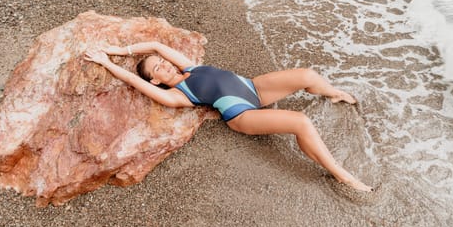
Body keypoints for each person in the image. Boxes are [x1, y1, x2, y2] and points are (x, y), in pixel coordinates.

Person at [84, 41, 373, 192]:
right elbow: (137, 83)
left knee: (308, 76)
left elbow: (157, 46)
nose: (164, 66)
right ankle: (341, 174)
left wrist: (121, 50)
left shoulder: (188, 67)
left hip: (254, 88)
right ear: (156, 81)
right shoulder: (177, 94)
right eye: (157, 70)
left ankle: (334, 93)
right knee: (300, 122)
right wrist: (108, 63)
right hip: (241, 114)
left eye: (163, 63)